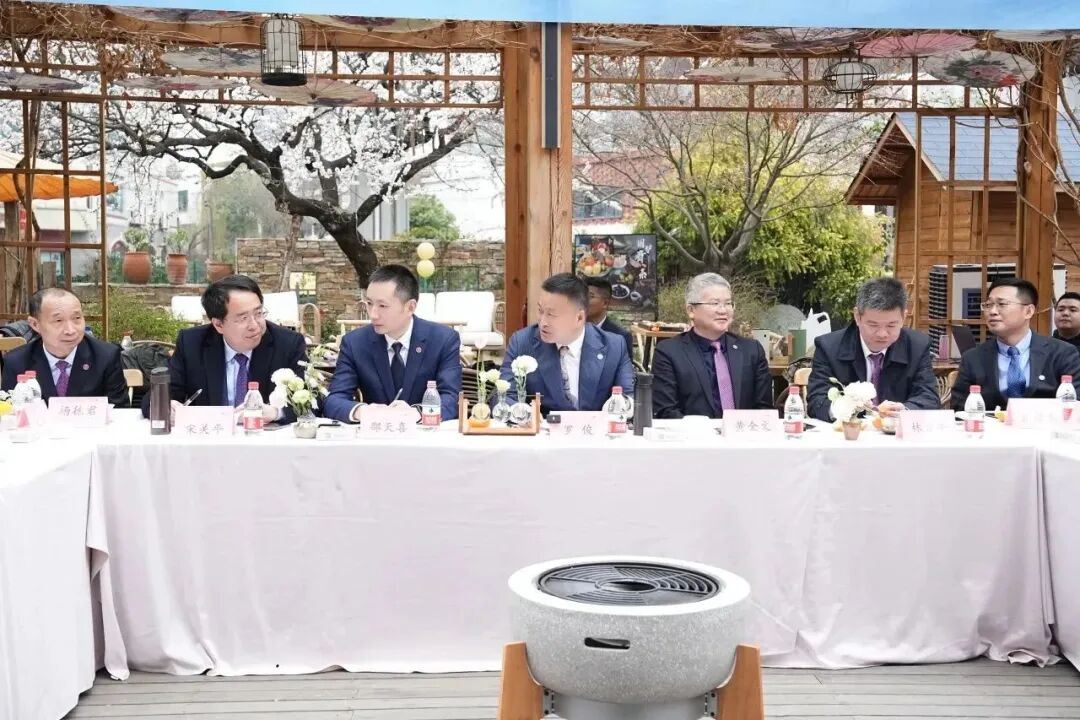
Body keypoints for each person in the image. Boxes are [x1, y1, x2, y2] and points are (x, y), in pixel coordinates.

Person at [140, 275, 307, 422]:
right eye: (243, 318)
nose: (255, 325)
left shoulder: (288, 344)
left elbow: (313, 401)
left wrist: (277, 413)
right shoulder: (192, 344)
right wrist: (165, 406)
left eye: (258, 313)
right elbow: (155, 397)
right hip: (211, 439)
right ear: (218, 324)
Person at [324, 264, 461, 422]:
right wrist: (361, 411)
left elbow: (451, 398)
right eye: (369, 303)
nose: (373, 314)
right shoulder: (354, 343)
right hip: (374, 433)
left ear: (410, 307)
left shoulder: (443, 340)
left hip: (423, 432)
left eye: (382, 306)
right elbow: (334, 399)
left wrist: (417, 413)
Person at [806, 277, 939, 421]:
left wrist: (905, 411)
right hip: (848, 432)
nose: (882, 334)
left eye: (891, 325)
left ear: (903, 318)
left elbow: (929, 397)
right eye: (873, 325)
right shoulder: (828, 347)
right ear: (857, 317)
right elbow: (816, 402)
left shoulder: (917, 346)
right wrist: (846, 407)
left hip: (896, 430)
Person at [500, 272, 634, 414]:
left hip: (596, 426)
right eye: (540, 311)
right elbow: (504, 396)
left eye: (551, 314)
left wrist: (620, 407)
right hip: (542, 426)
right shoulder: (522, 342)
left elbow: (629, 398)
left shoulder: (614, 346)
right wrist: (525, 415)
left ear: (579, 318)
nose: (543, 322)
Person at [652, 272, 772, 418]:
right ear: (691, 310)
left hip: (743, 431)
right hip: (693, 432)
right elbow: (666, 412)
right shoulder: (669, 353)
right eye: (714, 303)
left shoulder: (752, 350)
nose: (723, 310)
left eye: (728, 303)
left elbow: (765, 410)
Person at [952, 277, 1080, 412]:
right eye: (988, 305)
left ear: (1028, 311)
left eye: (1002, 304)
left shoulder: (1062, 353)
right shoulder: (973, 358)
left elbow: (1075, 404)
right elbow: (959, 409)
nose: (992, 311)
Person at [1, 287, 128, 406]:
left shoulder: (106, 357)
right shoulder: (16, 362)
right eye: (58, 321)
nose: (70, 330)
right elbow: (10, 414)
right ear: (35, 324)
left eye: (76, 318)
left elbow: (121, 413)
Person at [584, 277, 634, 357]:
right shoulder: (572, 331)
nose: (583, 300)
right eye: (582, 296)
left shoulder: (620, 337)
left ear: (605, 303)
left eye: (590, 296)